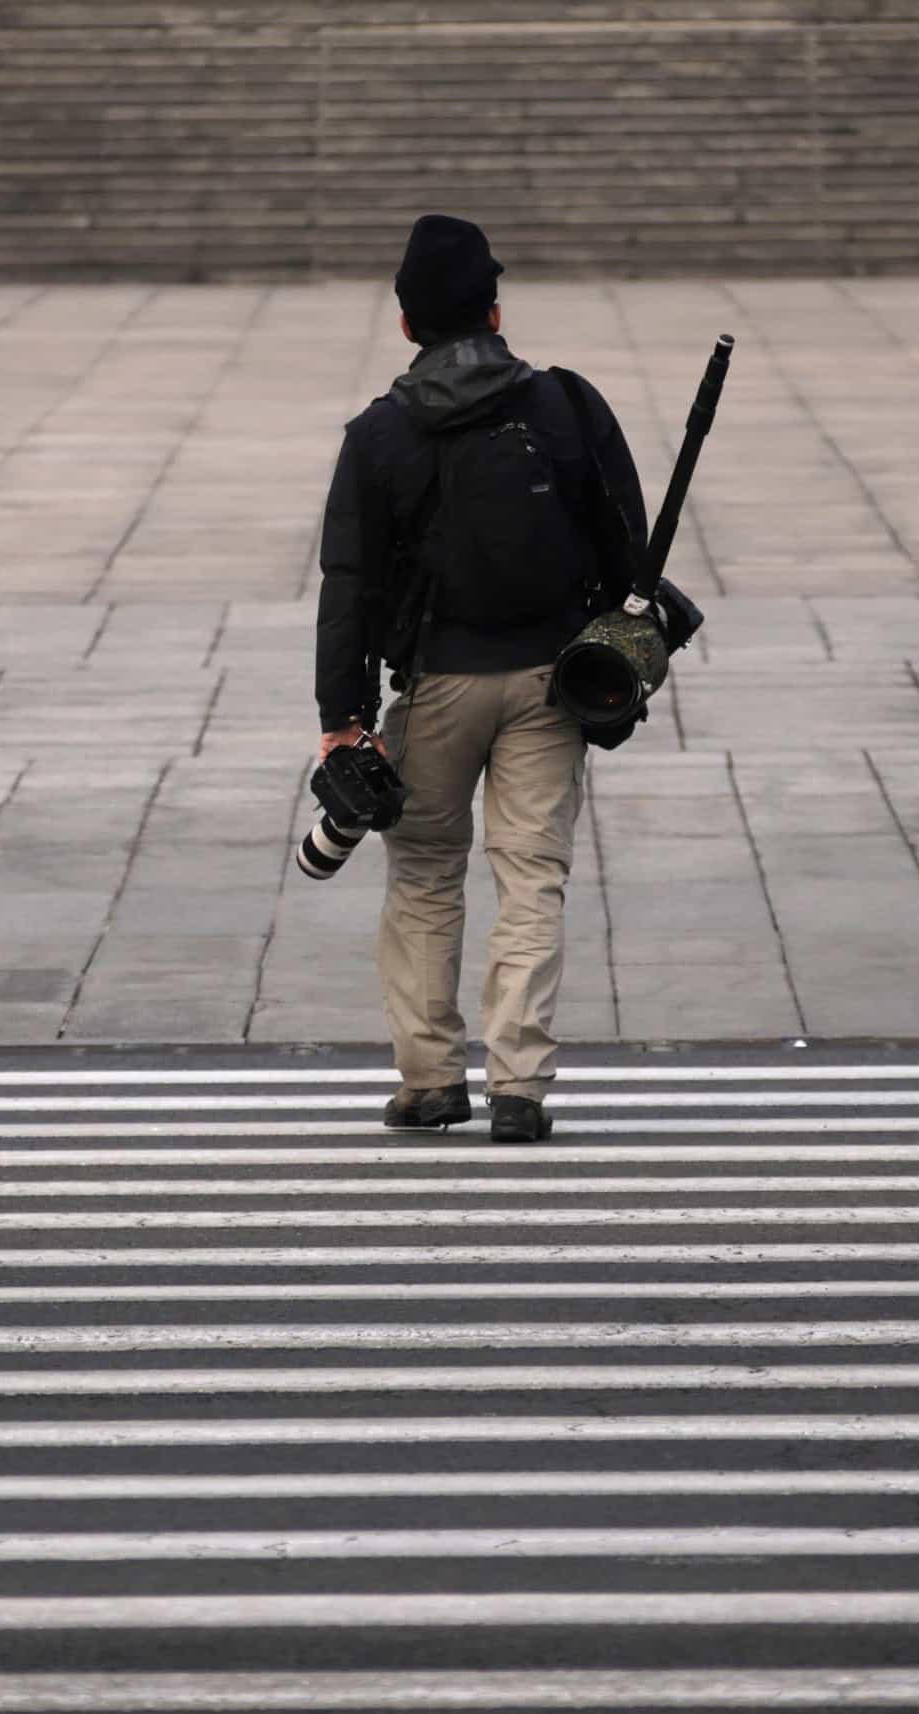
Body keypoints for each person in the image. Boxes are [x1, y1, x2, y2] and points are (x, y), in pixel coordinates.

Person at [313, 214, 649, 1145]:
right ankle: (520, 1087)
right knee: (531, 876)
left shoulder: (378, 434)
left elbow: (348, 585)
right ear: (495, 311)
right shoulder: (565, 407)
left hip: (434, 686)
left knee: (423, 875)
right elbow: (629, 549)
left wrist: (342, 717)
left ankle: (428, 1081)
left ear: (408, 324)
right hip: (551, 683)